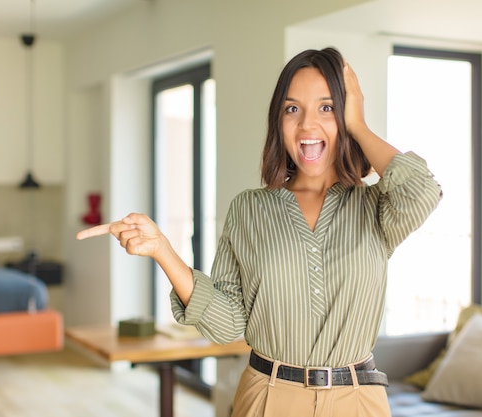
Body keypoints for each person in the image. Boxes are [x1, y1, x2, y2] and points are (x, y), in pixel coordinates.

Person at [77, 47, 442, 417]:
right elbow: (226, 323)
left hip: (359, 402)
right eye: (293, 109)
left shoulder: (375, 207)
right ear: (278, 120)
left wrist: (360, 126)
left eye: (327, 108)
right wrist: (163, 251)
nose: (307, 125)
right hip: (269, 398)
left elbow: (423, 191)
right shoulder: (249, 210)